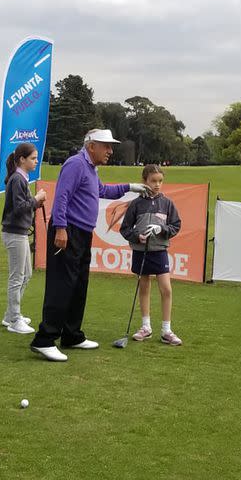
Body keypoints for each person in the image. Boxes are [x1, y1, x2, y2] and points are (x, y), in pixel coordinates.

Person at [29, 129, 150, 362]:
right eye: (106, 146)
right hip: (68, 230)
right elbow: (62, 196)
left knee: (78, 284)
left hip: (83, 232)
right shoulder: (75, 164)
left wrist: (130, 187)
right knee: (62, 285)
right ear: (91, 146)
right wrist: (62, 228)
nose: (110, 151)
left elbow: (101, 191)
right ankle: (45, 339)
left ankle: (72, 335)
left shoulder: (91, 169)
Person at [119, 164, 183, 346]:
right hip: (141, 251)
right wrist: (136, 237)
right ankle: (145, 327)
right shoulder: (136, 204)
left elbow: (175, 226)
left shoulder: (167, 203)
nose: (157, 184)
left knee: (166, 289)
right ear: (144, 181)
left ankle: (166, 330)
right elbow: (124, 229)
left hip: (159, 251)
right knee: (144, 287)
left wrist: (161, 228)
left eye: (160, 181)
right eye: (153, 181)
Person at [0, 143, 47, 334]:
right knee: (17, 277)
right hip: (14, 232)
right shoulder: (18, 179)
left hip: (19, 232)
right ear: (22, 159)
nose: (36, 161)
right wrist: (37, 200)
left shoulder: (21, 178)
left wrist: (35, 201)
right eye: (33, 158)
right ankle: (14, 319)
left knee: (26, 274)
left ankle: (10, 315)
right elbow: (20, 207)